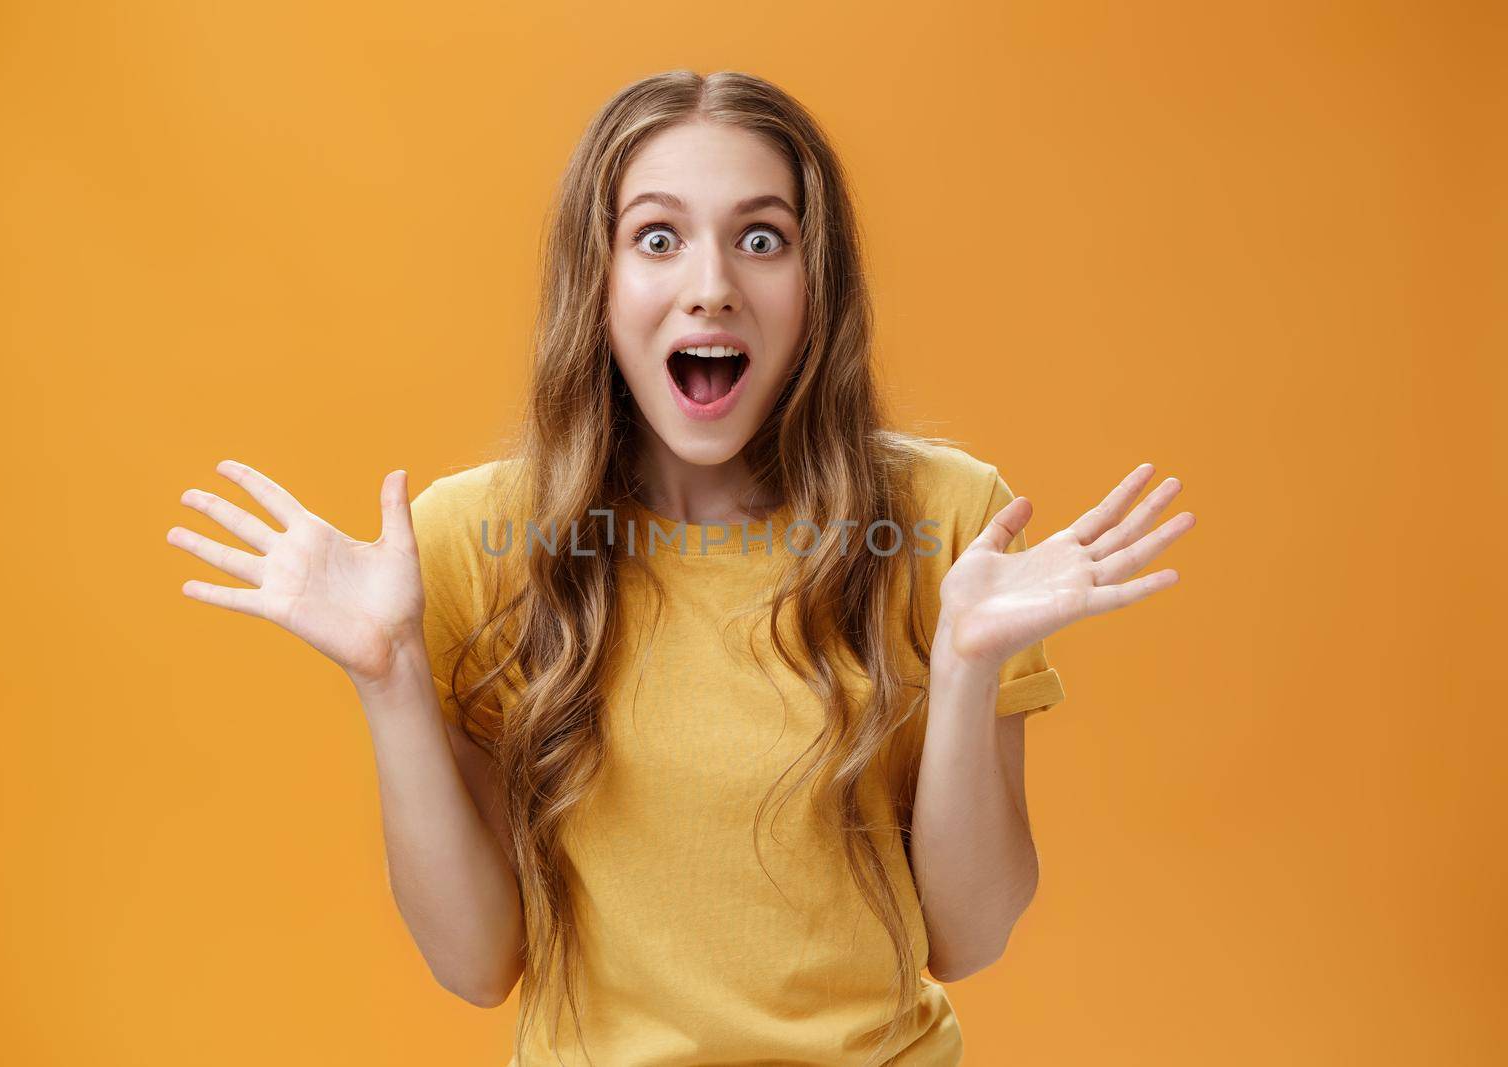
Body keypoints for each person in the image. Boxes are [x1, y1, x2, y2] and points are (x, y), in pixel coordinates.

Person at [167, 70, 1194, 1067]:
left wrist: (968, 667)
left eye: (761, 238)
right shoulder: (472, 537)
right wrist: (388, 677)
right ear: (599, 281)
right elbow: (477, 964)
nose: (712, 288)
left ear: (815, 280)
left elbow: (968, 938)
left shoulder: (942, 520)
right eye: (656, 238)